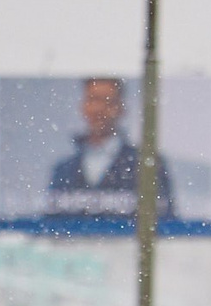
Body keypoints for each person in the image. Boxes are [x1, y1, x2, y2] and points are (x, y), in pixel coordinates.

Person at [44, 77, 174, 220]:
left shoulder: (146, 165)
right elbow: (51, 226)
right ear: (83, 107)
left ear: (121, 108)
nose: (99, 109)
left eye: (107, 101)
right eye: (93, 100)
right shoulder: (64, 170)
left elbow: (164, 226)